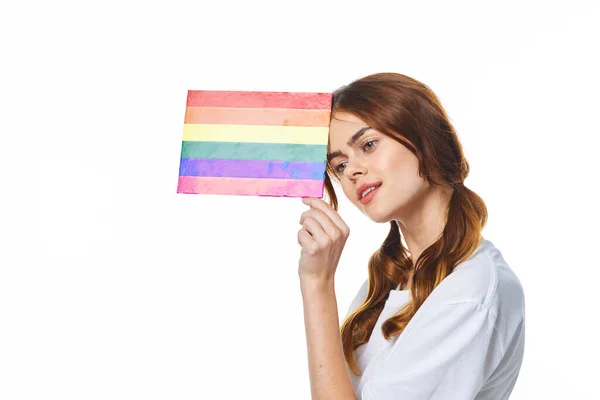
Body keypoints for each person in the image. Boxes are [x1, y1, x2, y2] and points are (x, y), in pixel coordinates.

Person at [297, 72, 525, 400]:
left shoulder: (469, 293)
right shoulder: (387, 284)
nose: (352, 172)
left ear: (423, 136)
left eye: (368, 145)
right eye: (340, 164)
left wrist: (317, 286)